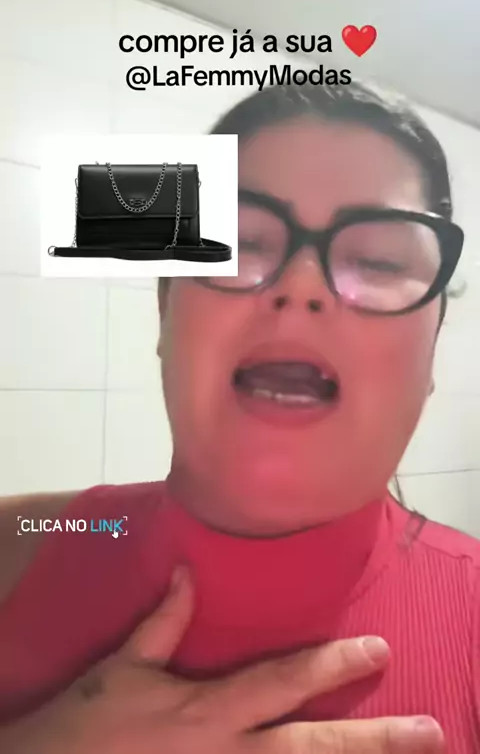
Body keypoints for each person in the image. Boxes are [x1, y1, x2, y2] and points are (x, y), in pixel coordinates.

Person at [0, 81, 478, 753]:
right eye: (239, 241)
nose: (302, 285)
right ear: (164, 312)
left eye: (376, 260)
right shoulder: (29, 538)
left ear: (431, 354)